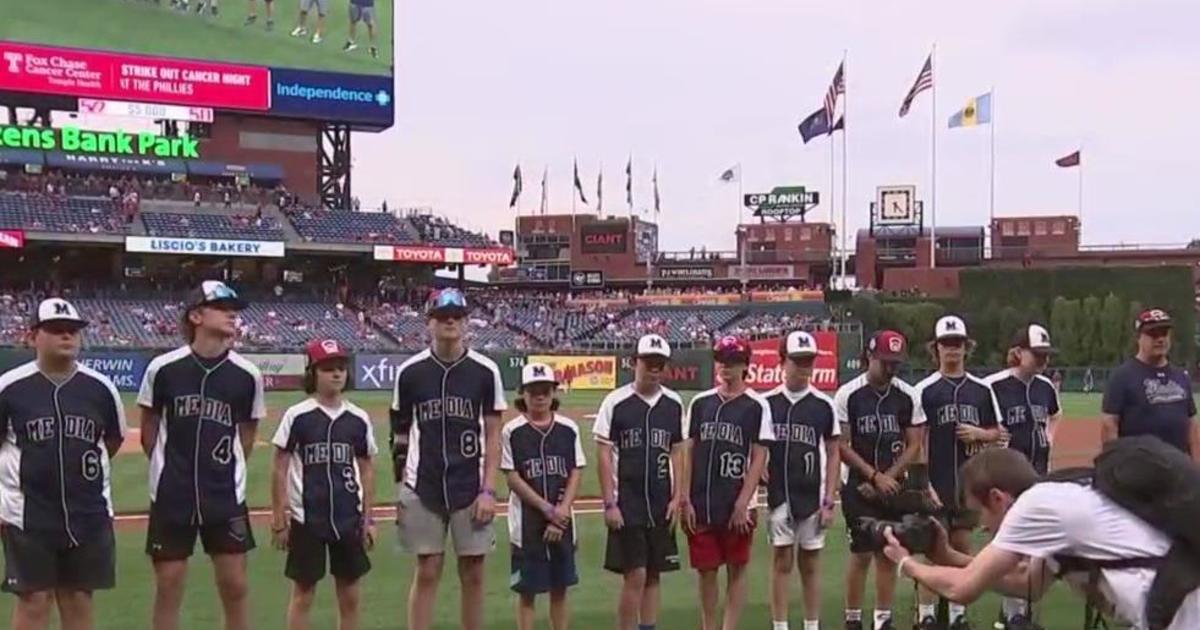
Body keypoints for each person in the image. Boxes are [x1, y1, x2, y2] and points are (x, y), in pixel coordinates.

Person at [882, 447, 1200, 630]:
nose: (981, 527)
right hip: (1177, 598)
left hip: (1180, 610)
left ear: (997, 498)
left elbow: (964, 589)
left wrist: (906, 563)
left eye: (980, 513)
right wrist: (949, 556)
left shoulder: (1035, 506)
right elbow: (1026, 582)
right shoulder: (1057, 499)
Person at [138, 281, 266, 630]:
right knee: (168, 585)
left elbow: (247, 434)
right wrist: (169, 469)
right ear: (196, 315)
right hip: (171, 494)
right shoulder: (162, 369)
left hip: (224, 493)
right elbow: (149, 428)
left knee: (235, 585)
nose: (232, 314)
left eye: (234, 308)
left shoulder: (247, 375)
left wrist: (226, 469)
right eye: (222, 306)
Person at [0, 299, 126, 630]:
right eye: (56, 330)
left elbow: (110, 442)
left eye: (72, 331)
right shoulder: (9, 388)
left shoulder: (101, 388)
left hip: (89, 511)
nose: (66, 336)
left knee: (78, 599)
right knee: (33, 601)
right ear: (32, 337)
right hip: (27, 514)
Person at [390, 288, 507, 630]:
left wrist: (488, 490)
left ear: (467, 322)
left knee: (473, 572)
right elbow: (399, 435)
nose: (450, 321)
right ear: (430, 323)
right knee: (427, 569)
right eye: (443, 316)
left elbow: (494, 434)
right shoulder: (411, 373)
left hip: (470, 486)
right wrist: (400, 488)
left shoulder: (485, 371)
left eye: (457, 316)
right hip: (423, 484)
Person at [271, 339, 376, 630]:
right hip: (307, 518)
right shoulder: (298, 415)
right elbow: (279, 467)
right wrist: (280, 518)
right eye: (328, 368)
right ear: (313, 373)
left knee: (350, 593)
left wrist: (368, 518)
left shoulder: (358, 418)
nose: (336, 374)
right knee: (303, 593)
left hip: (348, 516)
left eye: (341, 368)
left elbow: (367, 470)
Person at [913, 315, 1004, 629]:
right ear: (935, 349)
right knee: (931, 549)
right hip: (935, 482)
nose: (952, 350)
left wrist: (980, 434)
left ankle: (956, 613)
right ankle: (925, 616)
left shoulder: (981, 390)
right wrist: (923, 484)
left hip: (967, 483)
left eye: (957, 344)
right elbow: (917, 441)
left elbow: (998, 433)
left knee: (962, 547)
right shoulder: (924, 390)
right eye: (946, 344)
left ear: (967, 348)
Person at [593, 333, 688, 630]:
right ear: (634, 362)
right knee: (635, 575)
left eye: (659, 363)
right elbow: (604, 454)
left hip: (661, 503)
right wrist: (610, 503)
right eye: (648, 362)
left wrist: (677, 498)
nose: (654, 369)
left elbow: (677, 452)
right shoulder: (616, 402)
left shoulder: (672, 404)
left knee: (655, 573)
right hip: (628, 502)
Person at [680, 335, 773, 630]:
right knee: (706, 570)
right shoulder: (701, 403)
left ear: (745, 365)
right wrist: (684, 498)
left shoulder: (757, 405)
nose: (725, 367)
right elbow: (688, 451)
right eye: (722, 360)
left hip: (737, 501)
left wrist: (744, 502)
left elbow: (759, 456)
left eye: (733, 361)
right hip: (702, 499)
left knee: (737, 568)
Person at [835, 330, 924, 630]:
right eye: (885, 361)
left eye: (896, 362)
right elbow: (842, 444)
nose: (891, 368)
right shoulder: (848, 394)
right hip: (858, 485)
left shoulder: (906, 395)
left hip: (895, 485)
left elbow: (914, 443)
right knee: (860, 554)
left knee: (888, 552)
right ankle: (853, 619)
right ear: (869, 357)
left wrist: (889, 477)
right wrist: (873, 476)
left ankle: (882, 620)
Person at [984, 323, 1062, 628]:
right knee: (1009, 545)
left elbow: (1055, 414)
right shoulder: (994, 385)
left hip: (1038, 474)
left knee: (1034, 547)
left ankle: (1024, 612)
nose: (1043, 361)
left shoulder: (1044, 387)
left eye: (1046, 355)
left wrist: (1048, 438)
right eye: (1037, 354)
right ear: (1018, 353)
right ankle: (1012, 612)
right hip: (1006, 477)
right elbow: (987, 425)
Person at [764, 331, 840, 630]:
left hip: (812, 495)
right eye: (798, 361)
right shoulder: (767, 403)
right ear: (783, 361)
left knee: (810, 565)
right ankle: (780, 625)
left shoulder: (823, 404)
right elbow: (754, 451)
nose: (804, 367)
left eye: (808, 361)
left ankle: (811, 625)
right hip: (778, 495)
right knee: (782, 561)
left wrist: (829, 500)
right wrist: (756, 473)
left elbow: (833, 453)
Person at [501, 363, 586, 630]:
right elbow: (513, 477)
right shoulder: (511, 431)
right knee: (527, 590)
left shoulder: (568, 428)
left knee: (560, 587)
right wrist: (548, 510)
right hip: (526, 523)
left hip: (563, 521)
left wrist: (560, 514)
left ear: (553, 392)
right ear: (522, 394)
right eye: (533, 391)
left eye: (545, 390)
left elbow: (575, 471)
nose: (540, 396)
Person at [1101, 308, 1199, 462]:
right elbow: (1109, 424)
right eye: (1153, 334)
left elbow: (1192, 424)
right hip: (1139, 468)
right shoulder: (1122, 376)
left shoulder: (1181, 376)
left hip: (1179, 467)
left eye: (1164, 333)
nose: (1160, 339)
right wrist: (1114, 466)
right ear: (1139, 338)